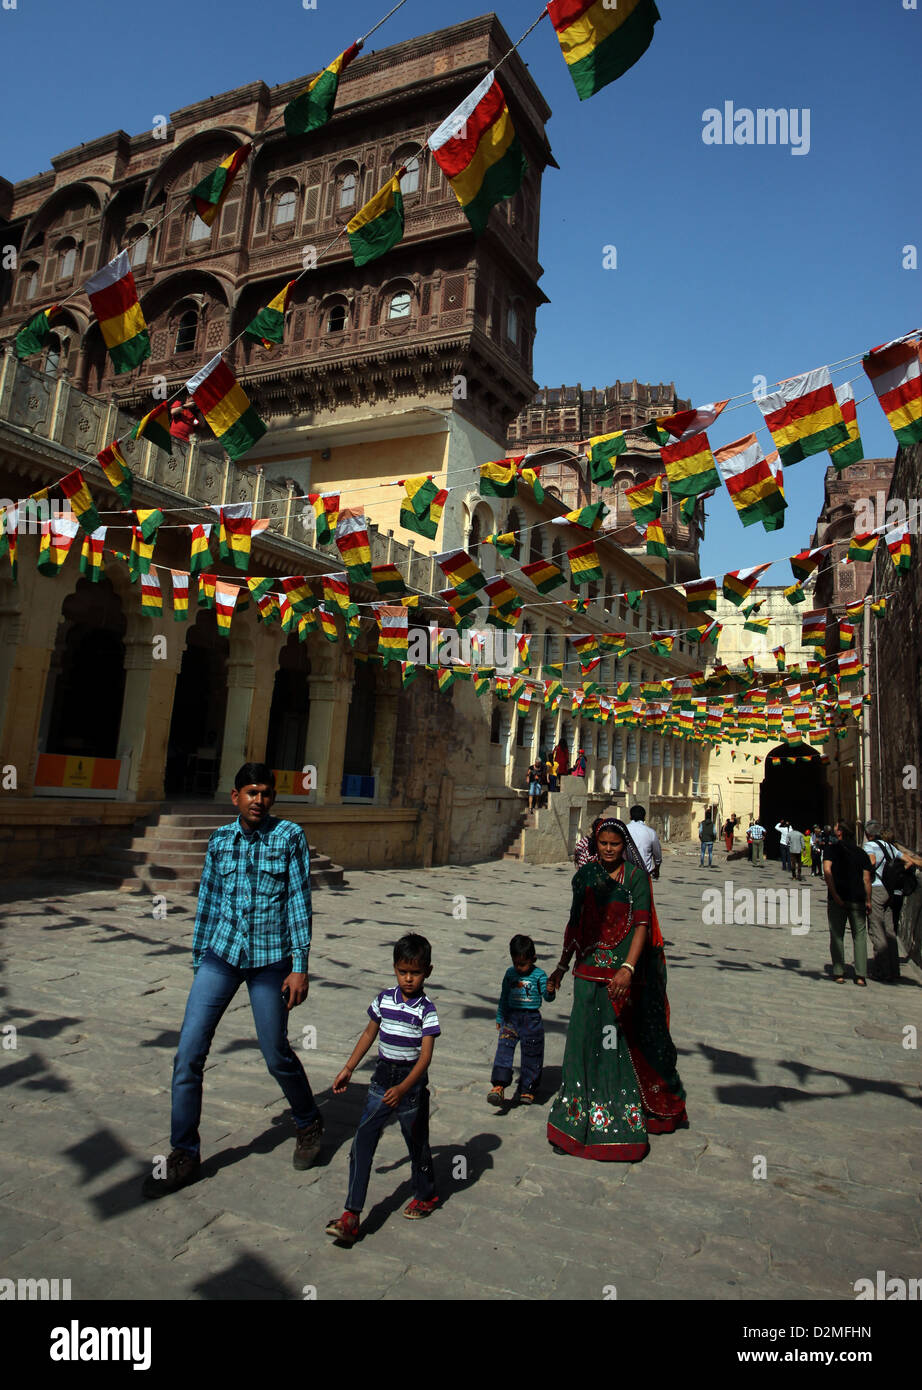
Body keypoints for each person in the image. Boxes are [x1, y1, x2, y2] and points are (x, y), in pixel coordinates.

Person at [142, 763, 322, 1199]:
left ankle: (308, 1121)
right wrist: (200, 957)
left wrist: (300, 965)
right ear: (235, 796)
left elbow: (299, 900)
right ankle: (184, 1151)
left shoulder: (289, 837)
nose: (259, 800)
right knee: (188, 1052)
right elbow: (208, 898)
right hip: (221, 956)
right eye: (252, 793)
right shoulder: (220, 840)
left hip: (270, 962)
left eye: (266, 793)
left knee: (275, 1050)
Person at [546, 817, 687, 1160]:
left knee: (613, 1046)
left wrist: (627, 968)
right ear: (596, 844)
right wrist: (561, 967)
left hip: (621, 978)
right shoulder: (584, 877)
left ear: (624, 847)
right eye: (603, 844)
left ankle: (617, 1122)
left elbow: (642, 924)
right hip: (587, 975)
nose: (609, 850)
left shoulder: (636, 878)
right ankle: (573, 1123)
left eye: (615, 844)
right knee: (581, 1043)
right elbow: (575, 924)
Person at [325, 934, 440, 1245]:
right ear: (395, 969)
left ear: (427, 972)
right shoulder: (384, 1000)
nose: (408, 979)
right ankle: (351, 1214)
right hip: (381, 1078)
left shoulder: (426, 1011)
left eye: (415, 973)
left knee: (416, 1143)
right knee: (363, 1139)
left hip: (410, 1085)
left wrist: (403, 1088)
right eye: (403, 971)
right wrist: (348, 1067)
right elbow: (368, 1034)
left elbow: (426, 1057)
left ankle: (426, 1193)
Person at [488, 934, 556, 1106]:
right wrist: (499, 1016)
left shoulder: (540, 975)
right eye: (515, 963)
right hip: (511, 1018)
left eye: (523, 964)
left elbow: (547, 998)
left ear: (533, 959)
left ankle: (528, 1088)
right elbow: (504, 996)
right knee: (504, 1049)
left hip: (531, 1020)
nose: (519, 968)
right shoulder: (510, 974)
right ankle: (499, 1084)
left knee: (532, 1054)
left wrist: (550, 990)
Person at [862, 821, 922, 983]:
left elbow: (872, 862)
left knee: (876, 929)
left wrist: (865, 871)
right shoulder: (890, 847)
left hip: (876, 888)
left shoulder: (870, 847)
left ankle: (882, 970)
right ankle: (894, 969)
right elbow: (909, 860)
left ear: (868, 834)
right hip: (889, 890)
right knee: (889, 930)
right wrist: (896, 873)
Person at [824, 821, 873, 986]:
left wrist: (834, 894)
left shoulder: (832, 849)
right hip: (858, 898)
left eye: (836, 827)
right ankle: (860, 975)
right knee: (860, 937)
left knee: (837, 935)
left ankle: (838, 972)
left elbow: (827, 871)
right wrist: (868, 900)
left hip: (838, 898)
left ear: (840, 833)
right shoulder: (861, 853)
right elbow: (867, 879)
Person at [625, 804, 662, 880]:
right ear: (644, 817)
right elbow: (657, 854)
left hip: (626, 872)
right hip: (644, 874)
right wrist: (657, 868)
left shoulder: (623, 830)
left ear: (630, 816)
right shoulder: (650, 832)